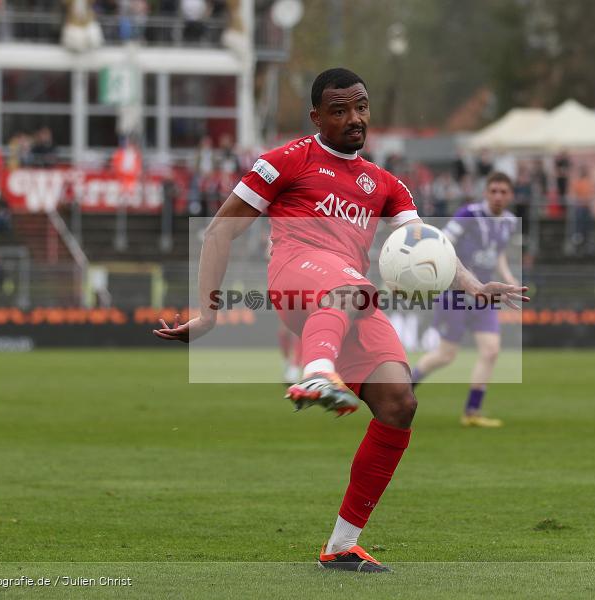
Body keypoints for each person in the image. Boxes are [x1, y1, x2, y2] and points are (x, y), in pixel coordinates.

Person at [153, 68, 528, 572]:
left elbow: (427, 247)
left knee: (400, 401)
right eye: (340, 109)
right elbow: (219, 232)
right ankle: (317, 372)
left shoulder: (386, 184)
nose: (355, 118)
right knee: (349, 286)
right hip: (295, 277)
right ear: (316, 116)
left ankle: (341, 545)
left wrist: (475, 286)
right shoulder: (284, 161)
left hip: (349, 297)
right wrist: (209, 313)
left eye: (361, 107)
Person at [410, 172, 519, 428]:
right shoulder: (468, 214)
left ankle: (472, 411)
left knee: (491, 351)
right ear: (486, 192)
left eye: (503, 192)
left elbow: (498, 253)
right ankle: (404, 388)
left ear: (511, 195)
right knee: (446, 355)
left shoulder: (510, 221)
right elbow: (442, 242)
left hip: (484, 295)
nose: (498, 196)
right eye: (494, 191)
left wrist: (507, 277)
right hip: (456, 293)